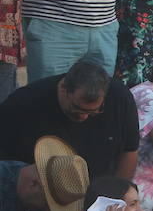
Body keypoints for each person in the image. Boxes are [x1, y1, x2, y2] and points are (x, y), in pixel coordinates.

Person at [0, 59, 139, 180]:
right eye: (76, 108)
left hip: (98, 191)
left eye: (93, 112)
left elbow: (130, 151)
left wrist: (115, 196)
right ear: (62, 88)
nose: (83, 116)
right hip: (39, 193)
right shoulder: (23, 104)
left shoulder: (120, 98)